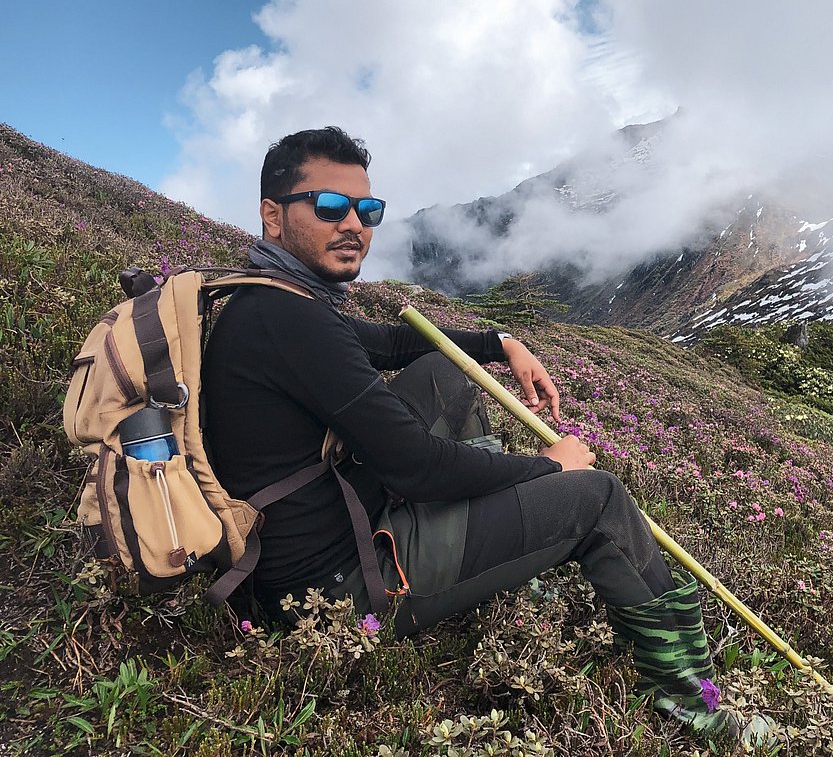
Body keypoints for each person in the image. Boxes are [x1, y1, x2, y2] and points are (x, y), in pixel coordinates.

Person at [203, 126, 759, 740]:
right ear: (271, 215)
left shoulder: (272, 300)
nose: (354, 224)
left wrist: (499, 344)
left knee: (445, 372)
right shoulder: (292, 321)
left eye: (368, 209)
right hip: (334, 594)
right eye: (330, 206)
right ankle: (695, 708)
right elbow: (419, 469)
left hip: (303, 539)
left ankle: (507, 545)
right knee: (596, 497)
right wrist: (552, 469)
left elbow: (389, 341)